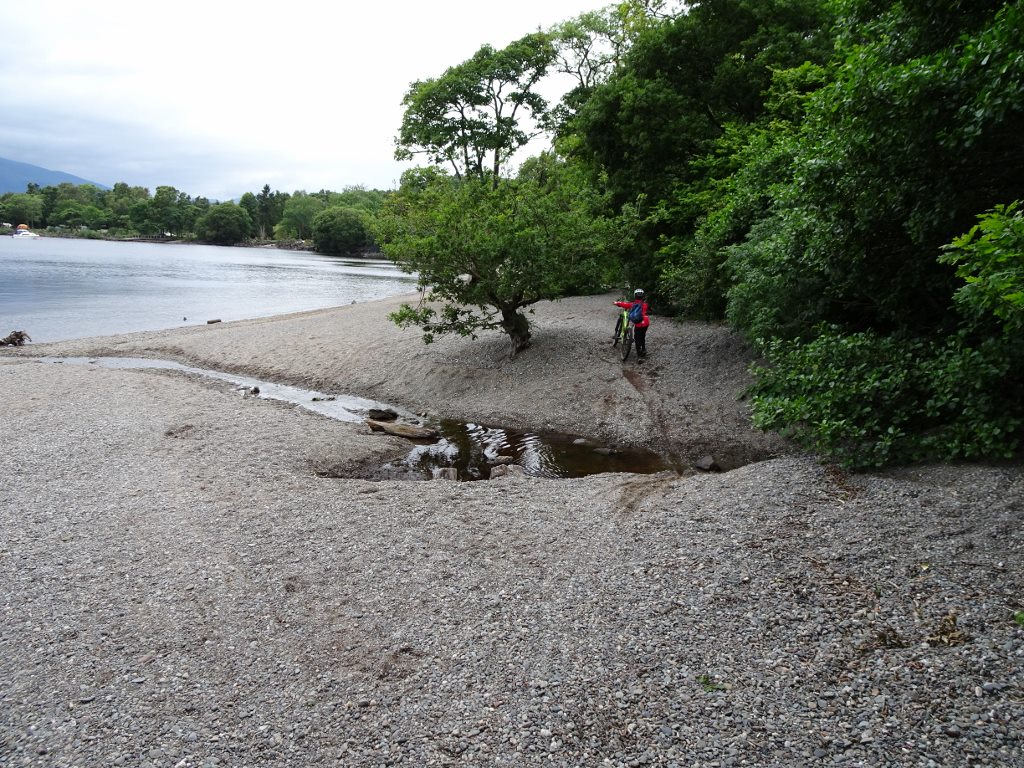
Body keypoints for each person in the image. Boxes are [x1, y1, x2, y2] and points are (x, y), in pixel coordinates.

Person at [614, 289, 650, 357]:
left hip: (638, 324)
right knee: (642, 336)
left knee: (637, 338)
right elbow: (650, 310)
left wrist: (616, 303)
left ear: (635, 296)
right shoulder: (645, 304)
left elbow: (624, 304)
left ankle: (639, 356)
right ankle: (644, 349)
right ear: (643, 296)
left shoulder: (633, 304)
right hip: (645, 323)